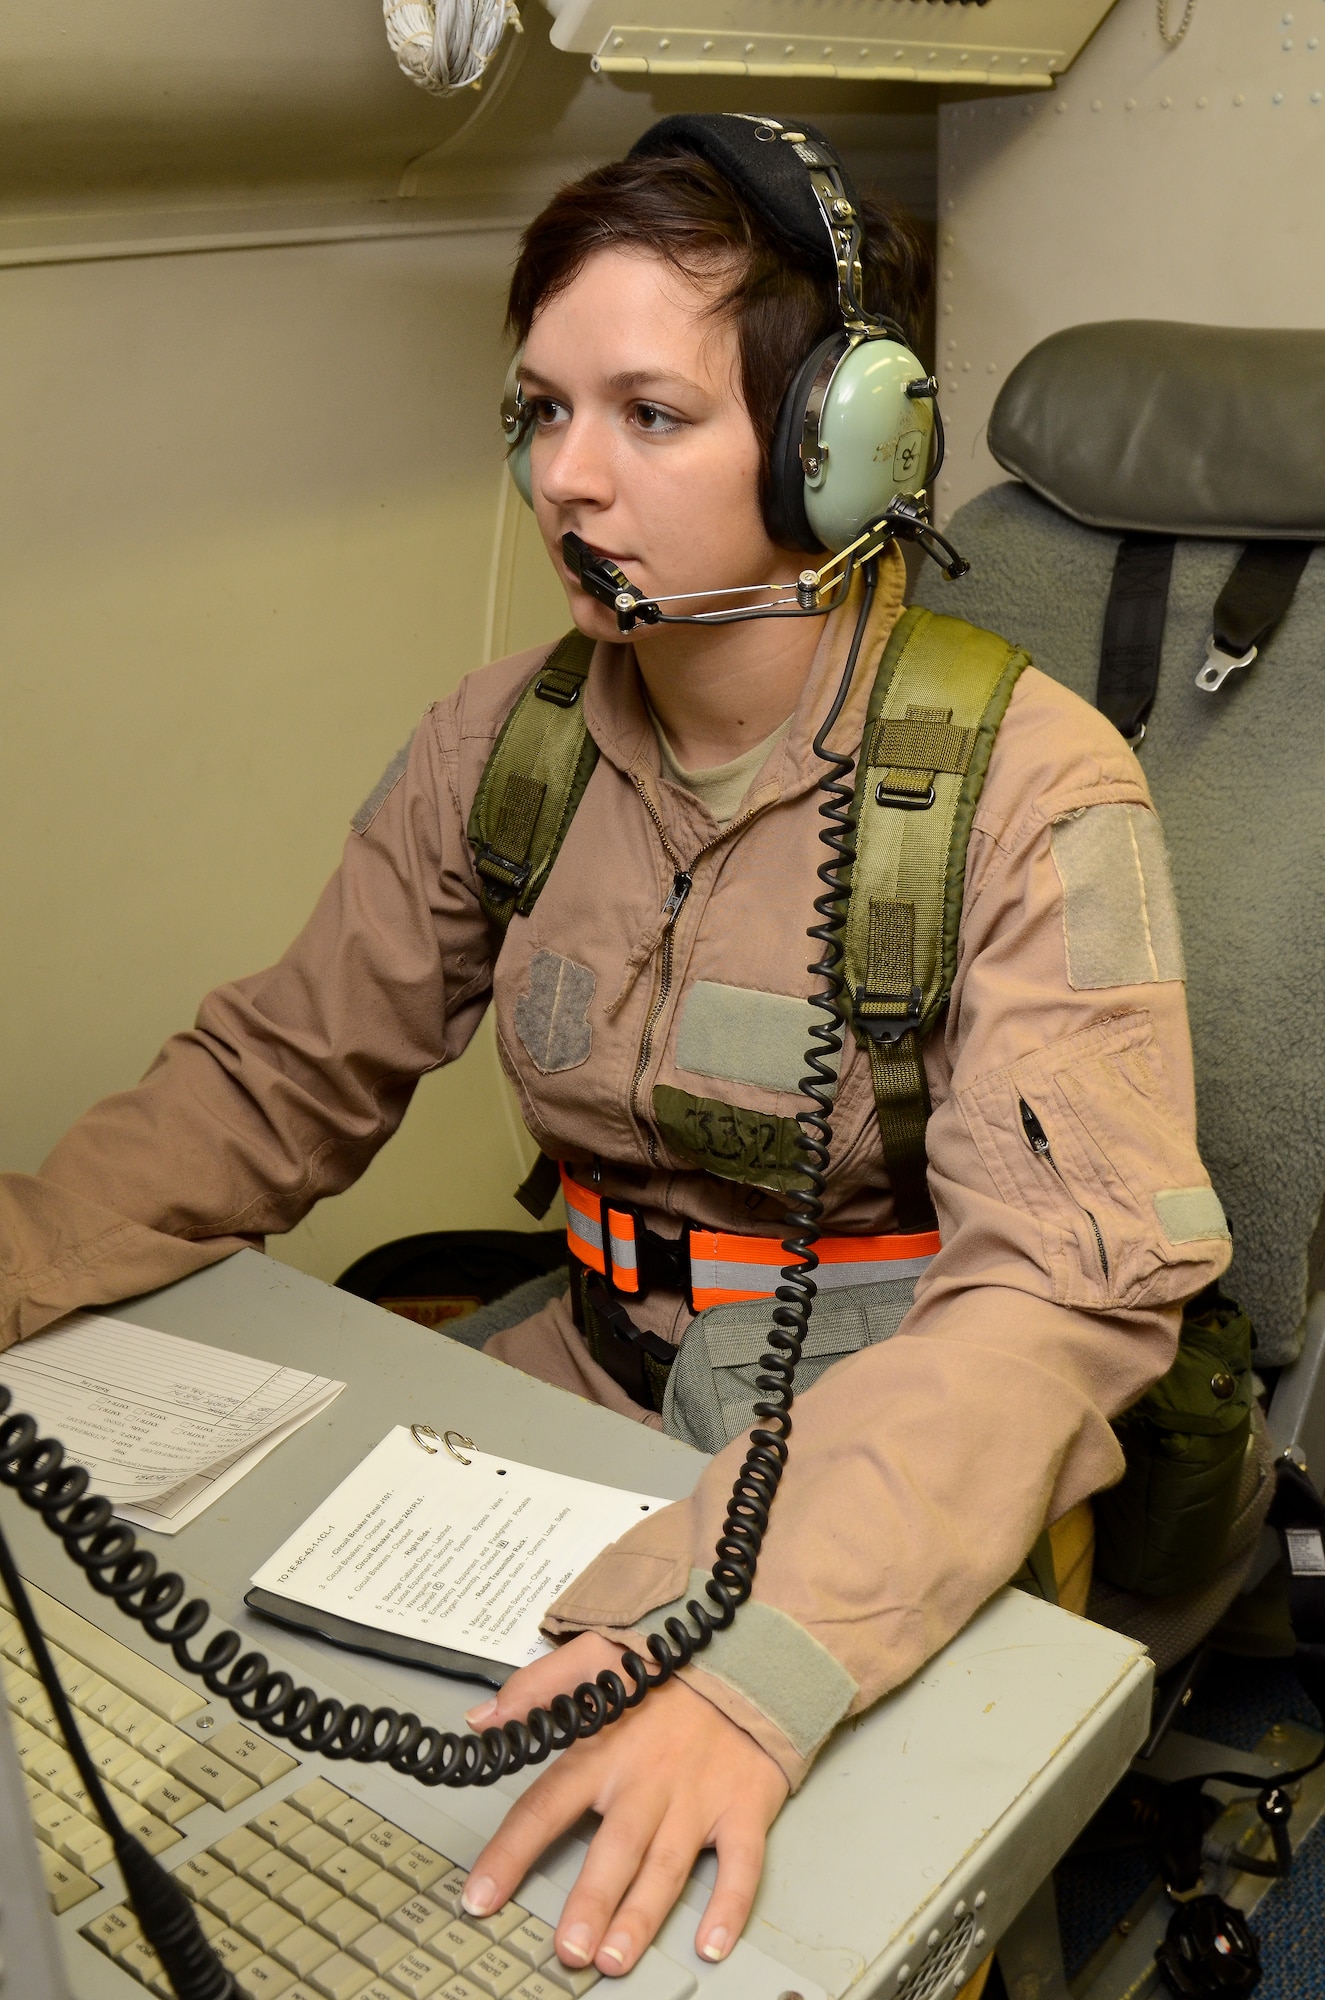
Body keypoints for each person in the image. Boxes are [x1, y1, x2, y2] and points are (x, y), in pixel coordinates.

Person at [0, 116, 1233, 1984]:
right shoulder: (508, 744)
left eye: (648, 416)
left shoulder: (1032, 789)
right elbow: (278, 1074)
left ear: (841, 450)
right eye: (540, 412)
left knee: (715, 1919)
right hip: (575, 1380)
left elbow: (1055, 1309)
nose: (568, 480)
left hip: (885, 1442)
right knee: (254, 1751)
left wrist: (758, 1675)